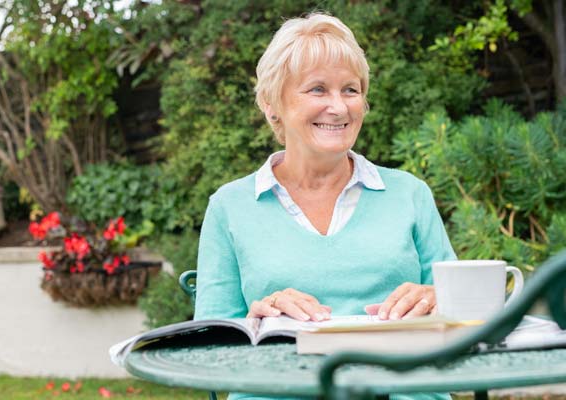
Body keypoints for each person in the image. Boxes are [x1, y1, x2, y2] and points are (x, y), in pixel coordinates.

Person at [194, 12, 455, 400]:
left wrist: (439, 298)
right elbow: (207, 347)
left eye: (351, 90)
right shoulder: (229, 207)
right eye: (317, 89)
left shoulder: (410, 194)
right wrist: (256, 320)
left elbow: (469, 312)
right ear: (272, 104)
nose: (339, 107)